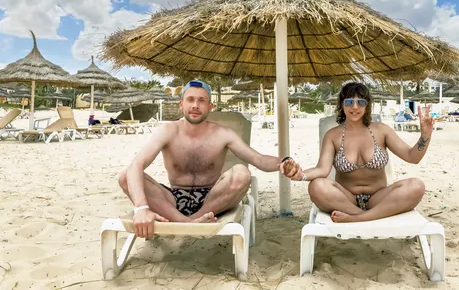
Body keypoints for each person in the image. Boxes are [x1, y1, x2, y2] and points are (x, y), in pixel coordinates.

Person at [118, 79, 301, 238]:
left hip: (212, 199)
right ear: (181, 104)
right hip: (173, 199)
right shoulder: (167, 131)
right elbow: (137, 165)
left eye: (202, 100)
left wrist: (283, 162)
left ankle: (189, 221)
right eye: (190, 100)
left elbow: (258, 159)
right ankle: (189, 223)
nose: (195, 105)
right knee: (126, 175)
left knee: (241, 172)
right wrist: (141, 208)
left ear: (210, 107)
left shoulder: (222, 134)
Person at [290, 82, 433, 223]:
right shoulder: (333, 135)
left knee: (417, 185)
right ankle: (368, 216)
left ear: (367, 105)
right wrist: (301, 175)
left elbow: (412, 157)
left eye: (361, 102)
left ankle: (358, 218)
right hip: (346, 200)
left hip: (379, 198)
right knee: (316, 186)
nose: (355, 107)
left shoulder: (381, 131)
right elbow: (322, 169)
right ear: (342, 104)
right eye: (349, 102)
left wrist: (425, 135)